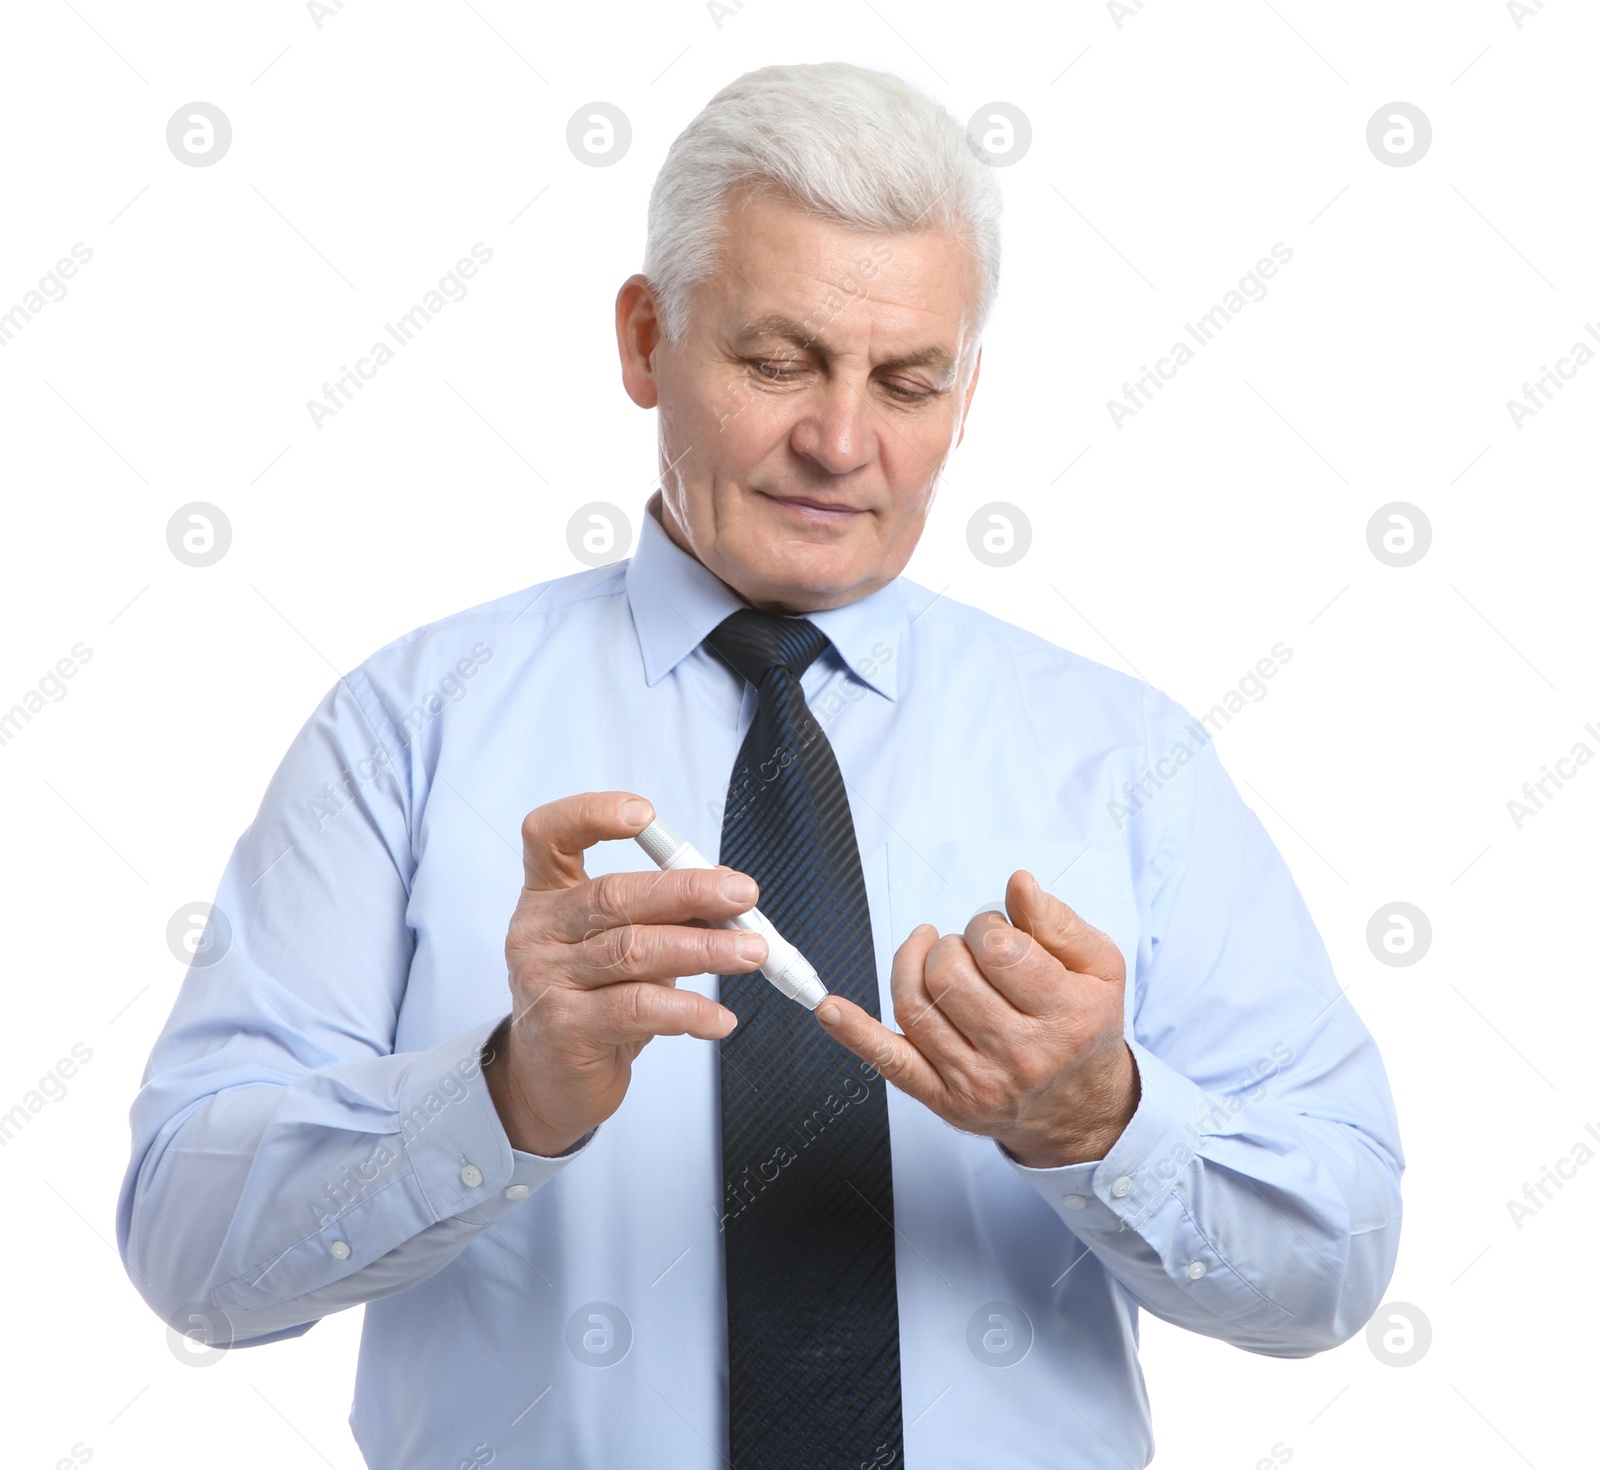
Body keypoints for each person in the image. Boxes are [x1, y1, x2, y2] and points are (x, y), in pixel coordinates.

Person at [118, 60, 1402, 1470]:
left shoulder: (1123, 754)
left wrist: (1100, 1113)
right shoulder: (410, 727)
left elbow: (1336, 1261)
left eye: (907, 381)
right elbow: (190, 1251)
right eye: (778, 360)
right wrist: (502, 1092)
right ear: (644, 338)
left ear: (966, 397)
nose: (840, 441)